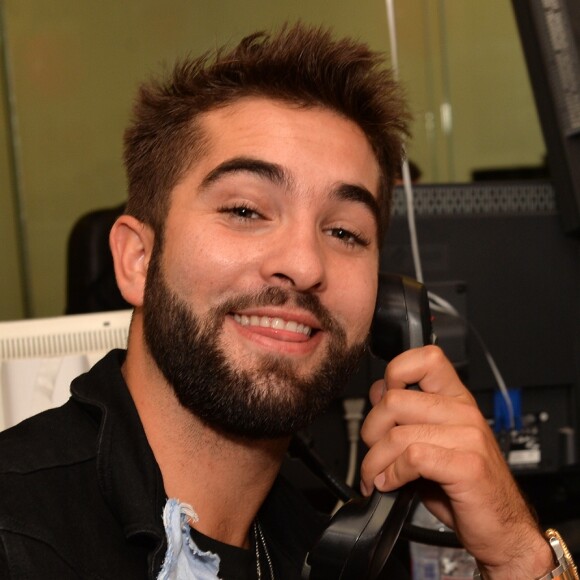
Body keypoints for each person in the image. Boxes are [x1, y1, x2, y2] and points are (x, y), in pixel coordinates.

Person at [0, 23, 574, 580]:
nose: (304, 264)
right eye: (246, 210)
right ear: (137, 260)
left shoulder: (329, 555)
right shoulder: (19, 535)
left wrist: (516, 556)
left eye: (345, 232)